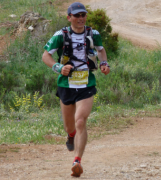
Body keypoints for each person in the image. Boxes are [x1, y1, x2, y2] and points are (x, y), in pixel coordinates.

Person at [42, 2, 110, 177]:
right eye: (77, 15)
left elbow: (101, 51)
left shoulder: (93, 34)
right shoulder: (60, 35)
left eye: (83, 15)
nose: (81, 18)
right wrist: (58, 68)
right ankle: (71, 135)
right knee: (69, 126)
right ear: (69, 17)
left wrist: (103, 63)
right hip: (66, 84)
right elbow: (46, 55)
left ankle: (77, 161)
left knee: (81, 121)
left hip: (87, 83)